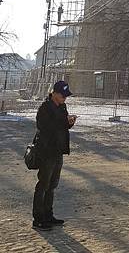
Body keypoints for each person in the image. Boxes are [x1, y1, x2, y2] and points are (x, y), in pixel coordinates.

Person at [32, 80, 77, 231]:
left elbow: (62, 126)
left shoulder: (62, 106)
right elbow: (44, 127)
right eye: (63, 95)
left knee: (52, 185)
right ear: (55, 94)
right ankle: (38, 218)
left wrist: (69, 122)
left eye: (66, 96)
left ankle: (48, 215)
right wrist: (62, 121)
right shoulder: (44, 108)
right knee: (43, 184)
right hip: (47, 151)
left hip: (58, 151)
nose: (65, 98)